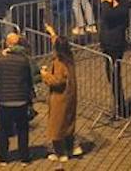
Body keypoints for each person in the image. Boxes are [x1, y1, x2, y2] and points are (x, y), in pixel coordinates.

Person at [0, 30, 37, 164]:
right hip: (21, 99)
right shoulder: (24, 60)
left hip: (4, 100)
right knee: (22, 130)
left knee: (3, 130)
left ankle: (3, 158)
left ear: (7, 44)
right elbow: (29, 78)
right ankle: (24, 157)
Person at [43, 34, 79, 164]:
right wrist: (51, 32)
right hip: (70, 96)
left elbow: (57, 81)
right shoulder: (70, 59)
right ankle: (71, 148)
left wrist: (45, 75)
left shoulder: (58, 62)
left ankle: (60, 153)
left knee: (56, 126)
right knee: (67, 124)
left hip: (60, 98)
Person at [97, 0, 129, 119]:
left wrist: (106, 2)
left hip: (115, 45)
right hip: (108, 45)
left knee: (115, 77)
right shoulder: (116, 8)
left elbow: (107, 15)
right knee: (112, 77)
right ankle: (118, 107)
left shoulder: (121, 10)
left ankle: (120, 110)